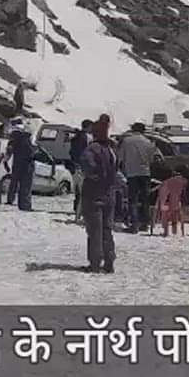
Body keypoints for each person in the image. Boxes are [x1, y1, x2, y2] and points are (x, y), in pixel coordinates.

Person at [80, 114, 118, 273]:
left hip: (93, 193)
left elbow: (86, 165)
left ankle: (95, 262)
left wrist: (94, 176)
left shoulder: (91, 149)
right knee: (107, 229)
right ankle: (109, 261)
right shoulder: (111, 150)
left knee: (95, 230)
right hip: (109, 193)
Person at [116, 122, 157, 232]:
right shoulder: (148, 142)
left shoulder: (126, 141)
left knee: (132, 199)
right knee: (145, 199)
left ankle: (134, 224)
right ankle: (145, 223)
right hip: (145, 173)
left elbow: (120, 157)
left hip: (131, 172)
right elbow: (151, 159)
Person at [7, 122, 34, 211]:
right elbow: (30, 154)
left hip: (16, 165)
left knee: (14, 184)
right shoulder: (26, 141)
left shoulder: (14, 141)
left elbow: (10, 152)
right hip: (26, 167)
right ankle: (25, 205)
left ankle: (12, 200)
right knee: (25, 187)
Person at [154, 166, 189, 237]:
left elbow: (162, 196)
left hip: (166, 204)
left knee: (164, 209)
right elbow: (184, 195)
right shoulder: (184, 182)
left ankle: (166, 231)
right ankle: (175, 229)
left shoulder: (166, 183)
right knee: (175, 210)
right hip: (177, 204)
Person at [69, 119, 92, 222]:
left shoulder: (76, 136)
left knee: (79, 191)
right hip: (81, 167)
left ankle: (77, 212)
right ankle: (79, 214)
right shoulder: (84, 137)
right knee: (84, 192)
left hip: (76, 167)